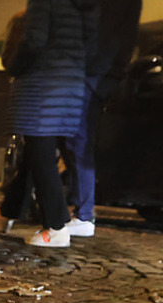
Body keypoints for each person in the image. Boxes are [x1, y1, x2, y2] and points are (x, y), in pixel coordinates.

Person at [0, 0, 99, 247]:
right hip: (71, 84)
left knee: (41, 153)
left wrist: (15, 67)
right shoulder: (87, 8)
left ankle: (56, 226)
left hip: (42, 84)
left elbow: (33, 41)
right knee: (35, 151)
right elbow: (93, 48)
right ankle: (8, 212)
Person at [59, 0, 142, 238]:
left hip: (94, 73)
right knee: (76, 141)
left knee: (78, 141)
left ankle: (84, 213)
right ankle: (81, 210)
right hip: (101, 73)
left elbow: (101, 31)